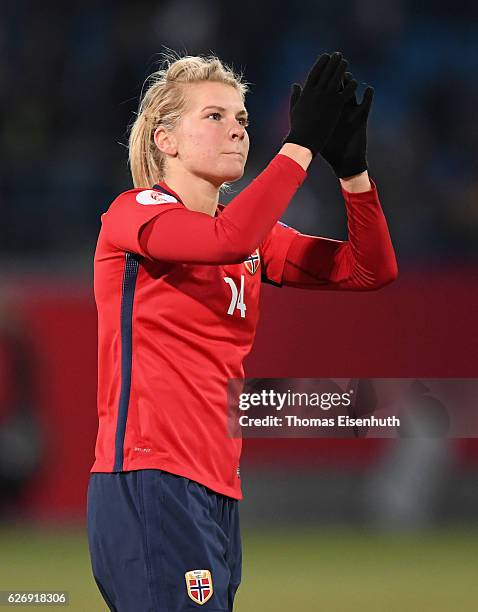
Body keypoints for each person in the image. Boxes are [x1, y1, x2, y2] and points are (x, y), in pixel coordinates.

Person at [86, 51, 398, 611]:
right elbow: (223, 241)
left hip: (217, 487)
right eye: (214, 116)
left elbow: (370, 270)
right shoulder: (134, 213)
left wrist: (352, 174)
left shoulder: (251, 237)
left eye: (244, 119)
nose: (236, 128)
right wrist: (298, 147)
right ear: (166, 141)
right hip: (149, 476)